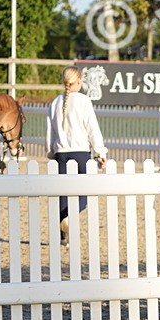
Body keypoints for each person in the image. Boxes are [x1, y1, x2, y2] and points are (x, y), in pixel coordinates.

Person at [46, 66, 108, 237]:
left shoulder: (55, 102)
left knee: (63, 194)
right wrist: (100, 151)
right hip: (80, 153)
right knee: (85, 191)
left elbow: (50, 132)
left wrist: (51, 152)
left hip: (61, 154)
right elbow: (92, 128)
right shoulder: (83, 101)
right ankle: (69, 217)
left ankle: (62, 236)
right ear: (79, 81)